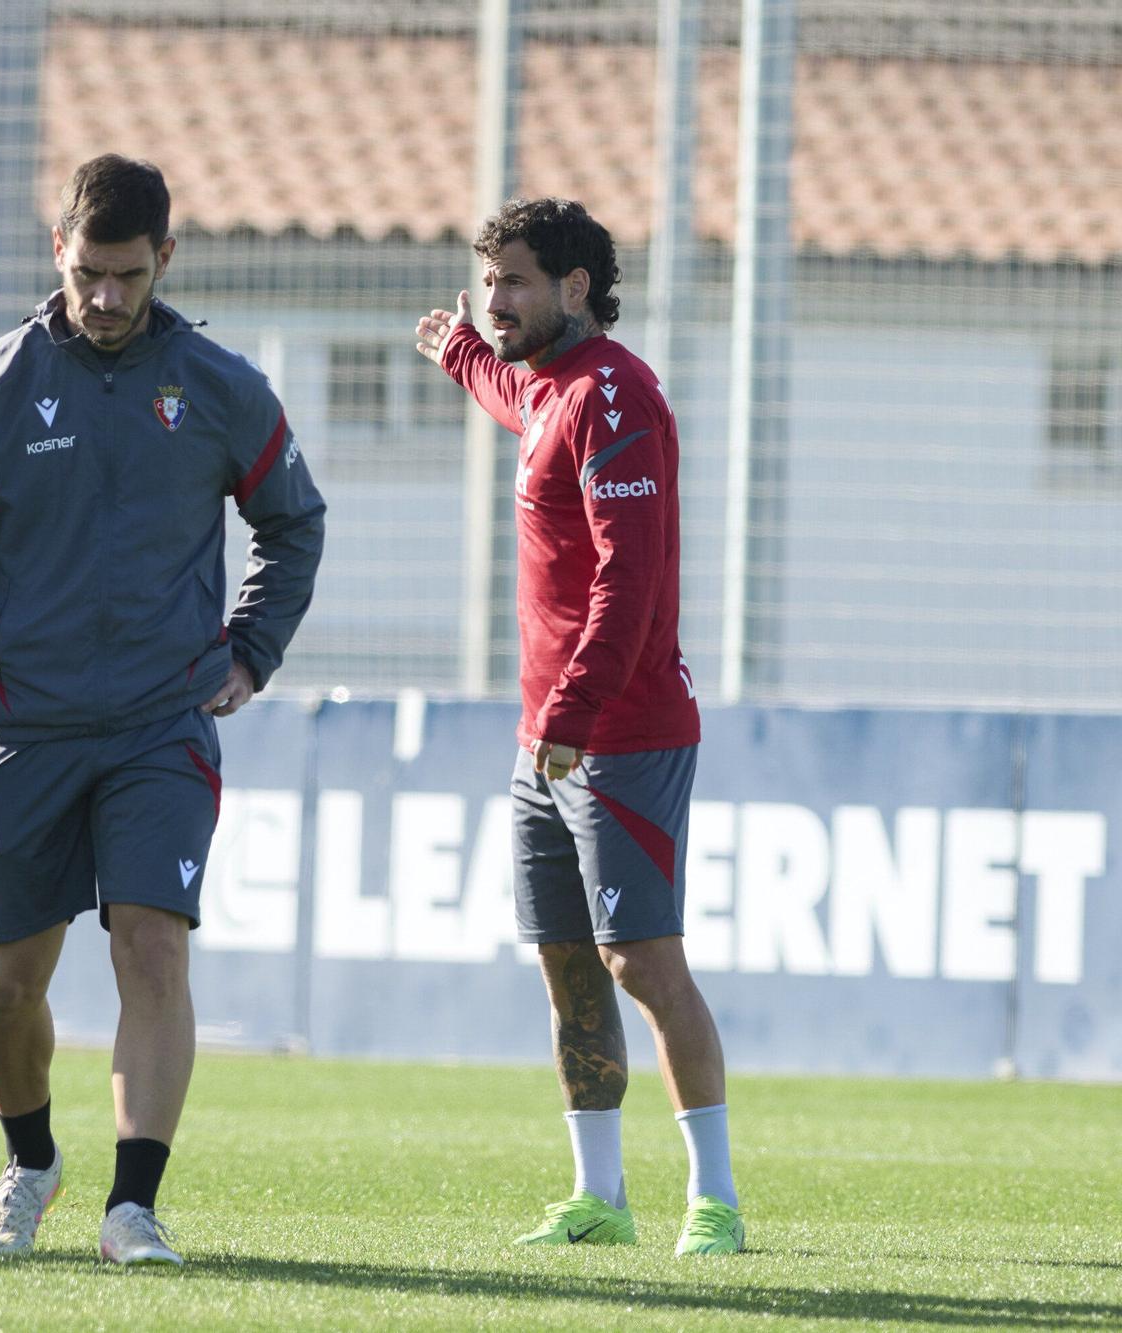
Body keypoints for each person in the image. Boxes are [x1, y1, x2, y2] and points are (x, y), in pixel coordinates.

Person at [0, 154, 324, 1266]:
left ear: (165, 259)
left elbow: (293, 521)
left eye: (128, 275)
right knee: (7, 984)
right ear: (56, 251)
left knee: (153, 951)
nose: (107, 297)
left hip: (162, 725)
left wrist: (250, 650)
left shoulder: (218, 386)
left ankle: (133, 1206)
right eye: (88, 274)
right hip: (23, 730)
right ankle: (30, 1163)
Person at [415, 197, 743, 1256]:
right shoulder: (545, 385)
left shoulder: (614, 394)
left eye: (512, 282)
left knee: (640, 960)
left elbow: (627, 580)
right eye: (487, 283)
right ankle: (599, 1194)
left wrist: (570, 710)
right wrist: (459, 351)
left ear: (574, 287)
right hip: (545, 741)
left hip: (620, 733)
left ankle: (715, 1199)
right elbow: (505, 390)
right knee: (566, 962)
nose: (495, 301)